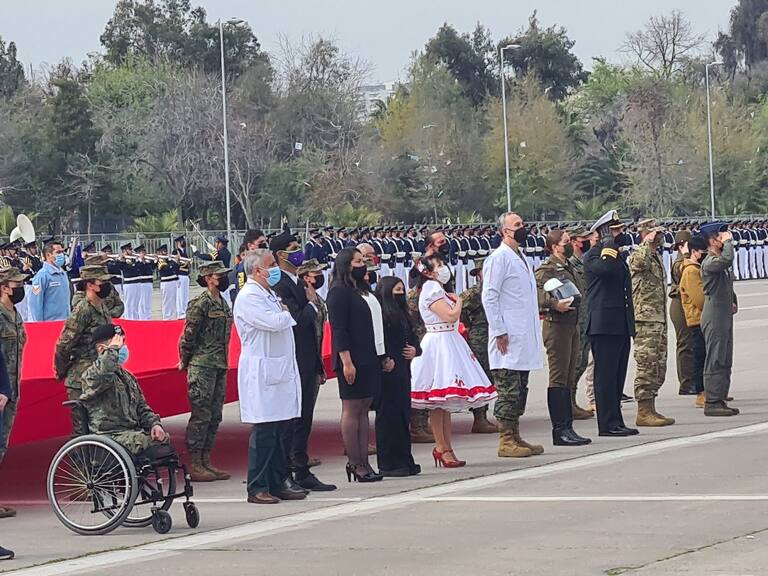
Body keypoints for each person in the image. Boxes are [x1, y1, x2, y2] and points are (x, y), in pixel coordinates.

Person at [234, 250, 307, 504]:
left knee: (279, 430)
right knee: (264, 432)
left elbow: (281, 318)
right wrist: (286, 313)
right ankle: (257, 486)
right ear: (256, 271)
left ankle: (277, 481)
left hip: (279, 370)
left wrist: (284, 313)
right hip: (262, 372)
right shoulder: (248, 296)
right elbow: (274, 322)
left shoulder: (268, 294)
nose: (275, 269)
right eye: (271, 265)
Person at [412, 254, 496, 467]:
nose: (443, 268)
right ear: (428, 272)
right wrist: (458, 300)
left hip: (449, 340)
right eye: (438, 265)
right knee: (439, 402)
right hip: (440, 343)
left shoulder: (437, 289)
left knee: (444, 406)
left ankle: (445, 447)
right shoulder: (431, 289)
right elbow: (450, 315)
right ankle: (443, 447)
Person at [269, 230, 335, 492]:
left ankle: (301, 468)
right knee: (292, 421)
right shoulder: (280, 285)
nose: (299, 252)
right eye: (293, 248)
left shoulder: (295, 281)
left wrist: (318, 364)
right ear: (279, 254)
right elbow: (295, 320)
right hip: (293, 360)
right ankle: (288, 470)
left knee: (304, 419)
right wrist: (309, 305)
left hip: (308, 359)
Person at [482, 212, 543, 457]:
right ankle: (505, 439)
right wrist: (499, 330)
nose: (522, 228)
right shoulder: (499, 258)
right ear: (505, 231)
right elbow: (490, 296)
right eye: (517, 225)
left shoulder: (520, 256)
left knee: (521, 388)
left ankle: (515, 434)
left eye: (522, 224)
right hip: (507, 335)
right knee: (508, 389)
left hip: (523, 334)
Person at [327, 247, 388, 482]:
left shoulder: (361, 291)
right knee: (352, 409)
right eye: (358, 261)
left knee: (364, 409)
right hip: (351, 359)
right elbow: (339, 330)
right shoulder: (339, 292)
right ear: (346, 265)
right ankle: (355, 462)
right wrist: (346, 361)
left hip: (369, 356)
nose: (363, 264)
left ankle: (365, 461)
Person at [534, 229, 592, 446]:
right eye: (566, 242)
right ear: (554, 246)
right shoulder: (546, 269)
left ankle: (568, 426)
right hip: (557, 326)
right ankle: (560, 430)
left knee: (568, 376)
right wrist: (553, 304)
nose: (569, 245)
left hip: (572, 325)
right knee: (558, 378)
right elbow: (538, 294)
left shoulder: (568, 266)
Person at [584, 210, 638, 437]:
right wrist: (608, 247)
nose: (620, 234)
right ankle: (606, 424)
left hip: (619, 324)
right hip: (603, 325)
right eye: (614, 231)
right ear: (603, 233)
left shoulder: (615, 255)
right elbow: (605, 271)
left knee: (617, 376)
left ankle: (616, 420)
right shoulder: (595, 255)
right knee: (605, 377)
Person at [179, 261, 233, 482]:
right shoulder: (200, 304)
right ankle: (195, 462)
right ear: (209, 278)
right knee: (201, 416)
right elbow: (188, 336)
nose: (223, 278)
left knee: (215, 415)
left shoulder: (223, 302)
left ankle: (206, 460)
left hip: (219, 364)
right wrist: (185, 360)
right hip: (202, 366)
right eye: (219, 275)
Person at [79, 324, 170, 454]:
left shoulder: (127, 377)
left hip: (131, 432)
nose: (122, 348)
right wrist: (113, 350)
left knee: (162, 440)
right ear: (101, 349)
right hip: (110, 436)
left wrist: (154, 424)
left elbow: (142, 407)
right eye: (118, 344)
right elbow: (104, 371)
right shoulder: (91, 375)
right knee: (146, 442)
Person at [54, 265, 116, 436]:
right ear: (90, 285)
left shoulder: (102, 307)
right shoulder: (83, 310)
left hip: (100, 374)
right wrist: (62, 371)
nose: (106, 285)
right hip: (82, 379)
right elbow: (63, 345)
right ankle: (83, 462)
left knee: (102, 427)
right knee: (83, 430)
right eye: (102, 282)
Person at [628, 219, 675, 427]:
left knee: (658, 365)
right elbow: (638, 264)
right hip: (645, 320)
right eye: (657, 234)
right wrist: (647, 241)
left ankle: (651, 407)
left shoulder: (655, 255)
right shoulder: (639, 253)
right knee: (647, 364)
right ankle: (643, 411)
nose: (661, 237)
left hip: (657, 319)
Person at [374, 276, 421, 477]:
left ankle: (404, 458)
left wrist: (415, 350)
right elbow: (377, 341)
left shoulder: (404, 314)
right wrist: (384, 358)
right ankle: (389, 462)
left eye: (402, 289)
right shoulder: (381, 315)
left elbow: (414, 338)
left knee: (403, 416)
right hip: (388, 372)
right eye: (396, 290)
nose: (400, 294)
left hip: (403, 369)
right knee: (388, 417)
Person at [699, 223, 739, 417]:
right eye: (719, 236)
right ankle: (712, 401)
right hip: (714, 314)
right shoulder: (710, 262)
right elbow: (728, 260)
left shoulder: (718, 261)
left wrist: (734, 300)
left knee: (724, 357)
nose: (722, 238)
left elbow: (727, 282)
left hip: (723, 313)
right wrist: (729, 241)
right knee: (715, 357)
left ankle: (720, 397)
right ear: (712, 240)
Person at [458, 259, 499, 434]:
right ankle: (479, 418)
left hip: (496, 335)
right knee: (482, 376)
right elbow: (458, 308)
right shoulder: (474, 293)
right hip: (480, 338)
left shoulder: (497, 290)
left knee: (493, 377)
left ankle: (484, 415)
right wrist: (467, 325)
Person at [566, 226, 595, 419]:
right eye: (583, 238)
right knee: (574, 363)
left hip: (587, 318)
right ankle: (568, 403)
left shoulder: (584, 262)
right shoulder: (569, 264)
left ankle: (572, 401)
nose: (587, 241)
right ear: (575, 241)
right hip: (574, 320)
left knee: (582, 361)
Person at [0, 268, 27, 467]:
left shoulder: (16, 315)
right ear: (4, 288)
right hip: (1, 389)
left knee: (2, 443)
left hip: (12, 390)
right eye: (16, 285)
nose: (21, 288)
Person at [679, 235, 708, 409]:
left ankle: (709, 390)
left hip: (702, 318)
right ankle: (701, 392)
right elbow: (700, 299)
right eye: (702, 251)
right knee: (700, 357)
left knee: (707, 356)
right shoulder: (691, 271)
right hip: (697, 319)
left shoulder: (696, 268)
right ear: (694, 252)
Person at [669, 229, 696, 395]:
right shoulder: (680, 262)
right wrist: (686, 255)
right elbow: (683, 272)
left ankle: (694, 380)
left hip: (689, 303)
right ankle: (686, 384)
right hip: (679, 305)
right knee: (685, 344)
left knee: (694, 344)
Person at [29, 241, 70, 321]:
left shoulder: (63, 274)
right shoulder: (41, 276)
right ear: (48, 255)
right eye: (58, 252)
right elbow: (35, 304)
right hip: (50, 324)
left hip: (65, 322)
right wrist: (39, 325)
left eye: (62, 252)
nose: (61, 255)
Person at [157, 245, 179, 320]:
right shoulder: (160, 261)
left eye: (166, 251)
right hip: (166, 283)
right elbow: (167, 269)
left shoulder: (169, 260)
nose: (166, 253)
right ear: (160, 253)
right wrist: (174, 261)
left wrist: (175, 261)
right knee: (167, 302)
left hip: (173, 282)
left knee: (173, 301)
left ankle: (172, 317)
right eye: (164, 251)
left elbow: (176, 269)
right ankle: (166, 318)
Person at [173, 235, 191, 318]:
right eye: (182, 241)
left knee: (185, 294)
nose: (183, 242)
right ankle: (180, 312)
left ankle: (185, 310)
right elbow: (176, 264)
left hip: (185, 274)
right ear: (178, 243)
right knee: (180, 295)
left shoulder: (184, 251)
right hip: (180, 274)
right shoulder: (176, 252)